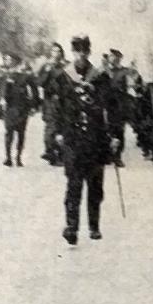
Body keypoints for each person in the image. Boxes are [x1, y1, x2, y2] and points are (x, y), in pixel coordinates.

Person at [51, 36, 120, 244]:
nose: (81, 55)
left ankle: (94, 225)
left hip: (96, 137)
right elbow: (56, 107)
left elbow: (113, 107)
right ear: (72, 53)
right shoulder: (63, 77)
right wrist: (57, 131)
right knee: (73, 183)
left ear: (89, 53)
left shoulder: (100, 77)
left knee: (95, 184)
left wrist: (115, 134)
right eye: (77, 51)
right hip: (73, 136)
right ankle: (71, 226)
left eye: (84, 51)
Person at [0, 53, 41, 167]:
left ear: (14, 61)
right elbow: (0, 90)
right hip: (9, 107)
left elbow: (35, 91)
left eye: (8, 59)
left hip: (22, 108)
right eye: (6, 59)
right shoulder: (3, 75)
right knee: (8, 133)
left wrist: (34, 106)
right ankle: (8, 157)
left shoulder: (25, 76)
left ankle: (18, 157)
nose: (6, 61)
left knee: (21, 133)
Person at [37, 43, 68, 165]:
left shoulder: (67, 66)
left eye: (59, 51)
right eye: (54, 51)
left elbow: (75, 80)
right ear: (51, 53)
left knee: (63, 127)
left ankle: (60, 154)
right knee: (51, 127)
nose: (57, 53)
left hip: (64, 100)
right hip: (50, 101)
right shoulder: (46, 66)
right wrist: (47, 72)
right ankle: (50, 151)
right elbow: (39, 83)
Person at [105, 48, 129, 167]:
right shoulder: (103, 71)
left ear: (120, 58)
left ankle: (118, 156)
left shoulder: (124, 72)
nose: (112, 58)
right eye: (111, 56)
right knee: (106, 129)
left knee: (119, 131)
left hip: (120, 105)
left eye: (115, 56)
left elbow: (129, 88)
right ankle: (108, 154)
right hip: (106, 105)